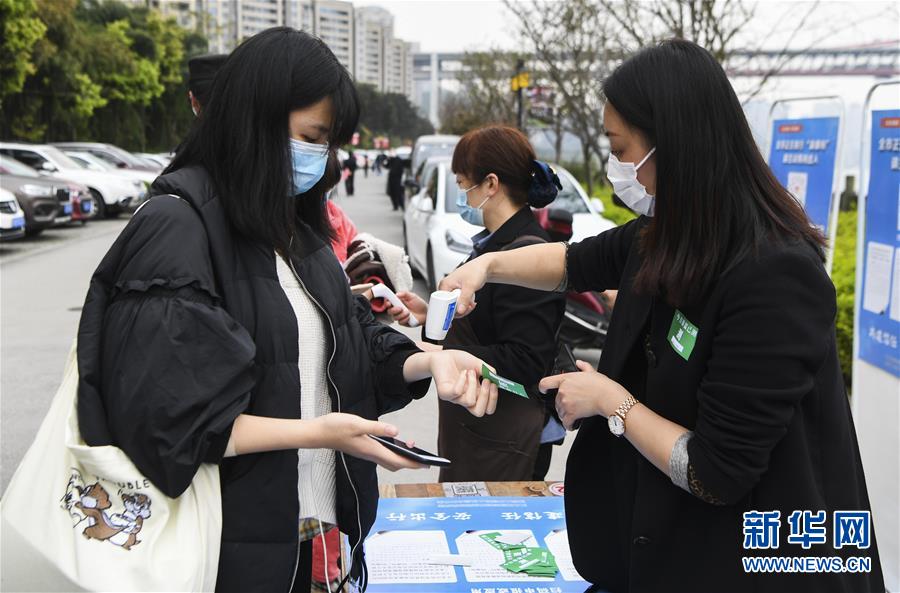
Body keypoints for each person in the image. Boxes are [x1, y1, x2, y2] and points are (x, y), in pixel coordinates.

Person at [440, 40, 884, 593]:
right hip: (668, 548)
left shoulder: (773, 274)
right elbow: (571, 262)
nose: (618, 169)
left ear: (674, 146)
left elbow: (715, 472)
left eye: (622, 150)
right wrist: (486, 267)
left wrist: (610, 402)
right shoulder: (668, 233)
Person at [76, 28, 498, 593]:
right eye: (309, 137)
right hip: (225, 553)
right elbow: (166, 423)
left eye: (327, 143)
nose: (319, 158)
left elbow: (344, 341)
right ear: (254, 117)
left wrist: (428, 362)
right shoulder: (175, 226)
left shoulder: (294, 224)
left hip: (311, 540)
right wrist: (318, 432)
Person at [387, 125, 565, 482]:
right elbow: (486, 320)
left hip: (504, 440)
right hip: (479, 431)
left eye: (462, 183)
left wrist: (448, 356)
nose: (461, 194)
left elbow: (526, 360)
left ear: (491, 185)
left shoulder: (527, 256)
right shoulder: (492, 244)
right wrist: (432, 315)